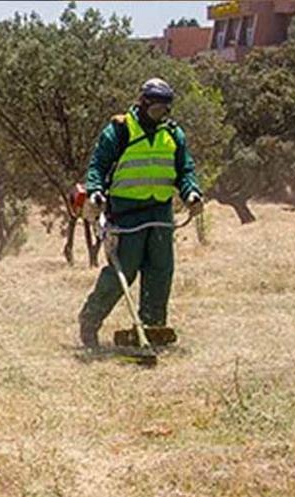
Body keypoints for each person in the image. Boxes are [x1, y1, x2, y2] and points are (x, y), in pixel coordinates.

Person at [77, 77, 204, 349]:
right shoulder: (120, 130)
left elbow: (185, 171)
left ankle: (152, 328)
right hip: (126, 214)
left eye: (165, 109)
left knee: (160, 272)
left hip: (160, 213)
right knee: (124, 272)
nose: (160, 114)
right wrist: (95, 190)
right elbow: (98, 166)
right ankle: (90, 320)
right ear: (143, 103)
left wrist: (191, 192)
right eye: (156, 108)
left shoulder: (173, 134)